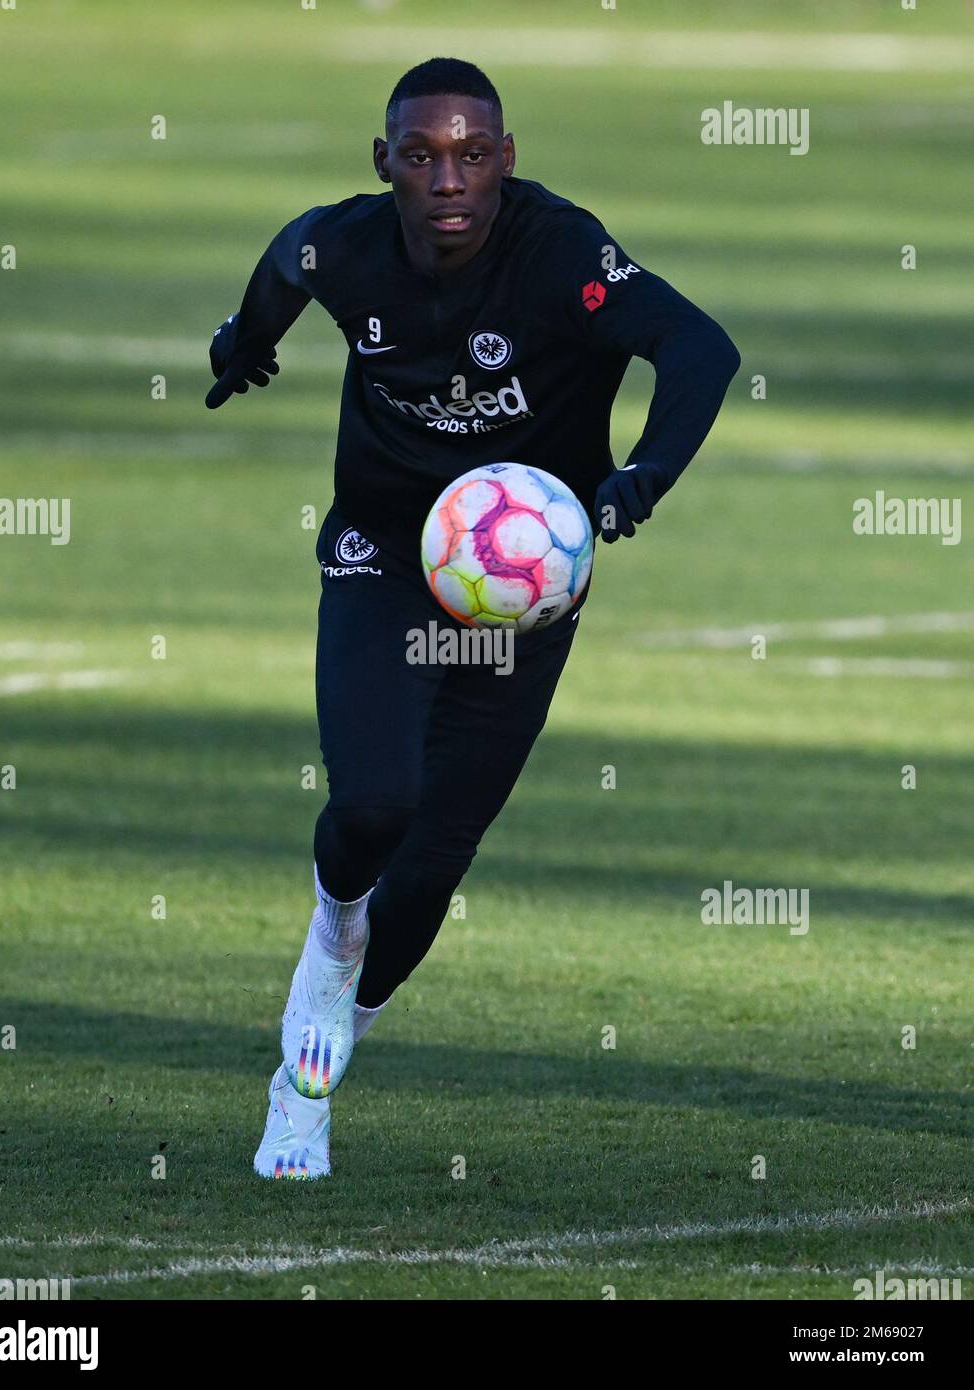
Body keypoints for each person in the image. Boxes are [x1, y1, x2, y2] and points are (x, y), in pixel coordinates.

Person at [205, 57, 740, 1178]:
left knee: (437, 853)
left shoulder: (560, 252)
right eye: (422, 155)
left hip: (523, 594)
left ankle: (313, 1068)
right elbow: (286, 260)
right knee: (373, 805)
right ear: (385, 164)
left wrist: (641, 474)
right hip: (386, 560)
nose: (448, 178)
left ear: (506, 160)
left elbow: (701, 348)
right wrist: (246, 342)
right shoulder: (345, 245)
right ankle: (330, 932)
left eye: (473, 154)